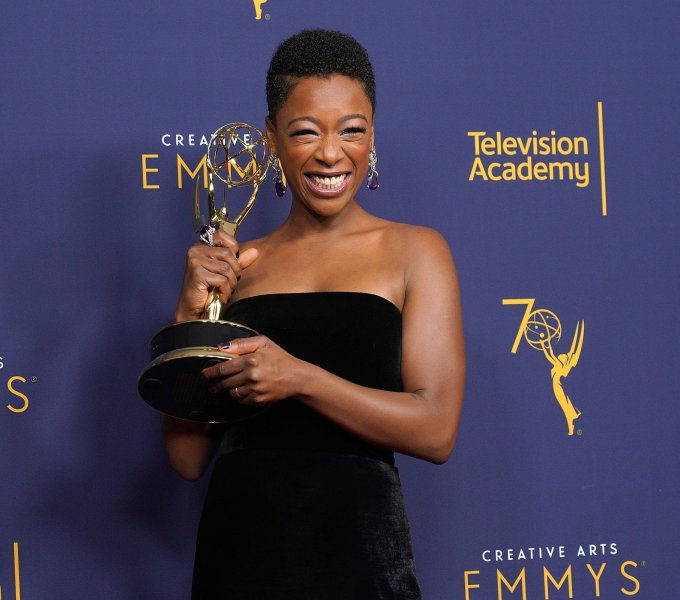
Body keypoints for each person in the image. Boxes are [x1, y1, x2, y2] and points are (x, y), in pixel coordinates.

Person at [162, 29, 465, 599]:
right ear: (272, 140)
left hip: (362, 559)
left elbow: (436, 430)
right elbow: (186, 457)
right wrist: (189, 310)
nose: (331, 153)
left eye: (352, 130)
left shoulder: (415, 252)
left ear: (372, 135)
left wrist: (299, 378)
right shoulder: (239, 267)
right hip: (241, 559)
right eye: (306, 132)